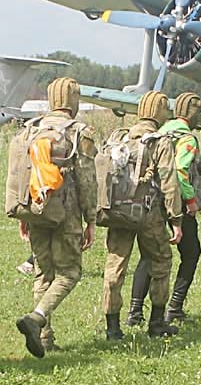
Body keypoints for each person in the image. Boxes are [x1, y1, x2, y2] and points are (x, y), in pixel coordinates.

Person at [10, 77, 97, 358]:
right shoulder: (79, 132)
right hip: (66, 213)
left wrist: (25, 212)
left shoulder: (30, 130)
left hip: (35, 208)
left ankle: (44, 338)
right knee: (69, 273)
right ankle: (36, 318)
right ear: (73, 100)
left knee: (43, 272)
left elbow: (22, 175)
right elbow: (87, 180)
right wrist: (91, 218)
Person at [98, 90, 183, 340]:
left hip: (118, 212)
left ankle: (113, 327)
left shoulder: (120, 137)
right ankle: (157, 323)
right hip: (148, 214)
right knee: (161, 261)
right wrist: (176, 219)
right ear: (160, 113)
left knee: (115, 266)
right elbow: (169, 183)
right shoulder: (160, 141)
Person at [128, 91, 201, 327]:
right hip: (175, 202)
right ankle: (174, 308)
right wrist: (190, 201)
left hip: (151, 201)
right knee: (191, 253)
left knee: (148, 255)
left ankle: (134, 311)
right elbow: (180, 173)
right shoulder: (187, 138)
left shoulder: (160, 131)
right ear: (193, 115)